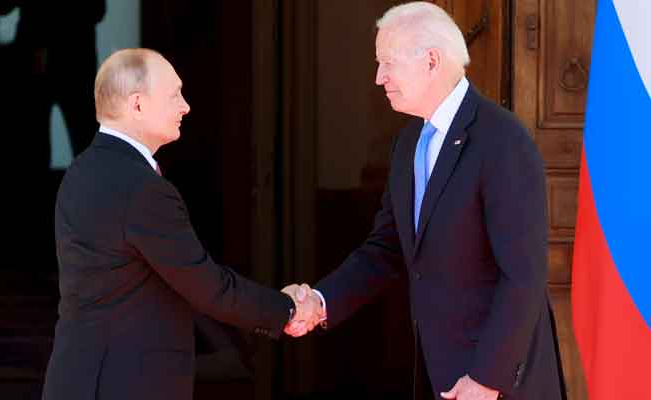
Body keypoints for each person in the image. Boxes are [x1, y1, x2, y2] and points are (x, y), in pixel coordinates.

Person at [285, 2, 566, 399]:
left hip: (496, 385)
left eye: (388, 62)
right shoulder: (408, 144)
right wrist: (320, 300)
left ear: (432, 60)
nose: (379, 77)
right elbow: (386, 248)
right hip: (440, 374)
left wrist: (487, 379)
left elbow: (523, 275)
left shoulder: (501, 140)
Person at [42, 48, 318, 400]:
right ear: (137, 105)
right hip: (125, 384)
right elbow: (207, 287)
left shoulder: (80, 171)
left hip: (76, 379)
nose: (185, 106)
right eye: (174, 95)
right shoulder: (142, 188)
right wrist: (288, 309)